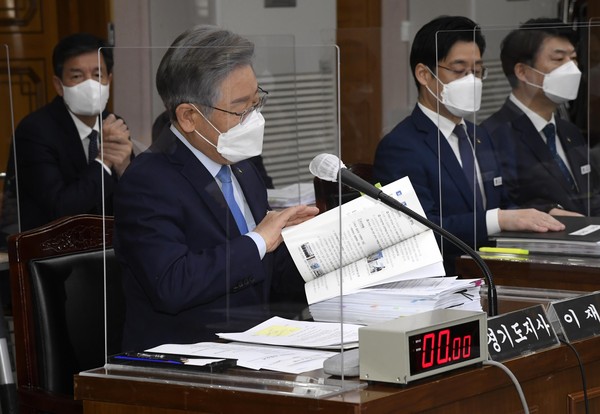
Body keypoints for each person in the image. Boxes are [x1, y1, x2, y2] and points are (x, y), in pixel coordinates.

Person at [113, 25, 318, 351]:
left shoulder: (242, 166)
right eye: (241, 109)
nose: (254, 118)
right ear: (189, 117)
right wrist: (258, 241)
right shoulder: (147, 181)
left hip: (257, 346)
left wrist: (316, 249)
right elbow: (171, 285)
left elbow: (266, 276)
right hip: (182, 364)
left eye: (256, 101)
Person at [373, 15, 564, 273]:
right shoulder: (401, 146)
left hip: (497, 271)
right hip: (445, 279)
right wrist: (499, 219)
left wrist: (547, 213)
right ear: (424, 75)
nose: (471, 81)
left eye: (477, 71)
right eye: (459, 70)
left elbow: (505, 202)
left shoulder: (479, 135)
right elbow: (419, 228)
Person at [5, 32, 133, 231]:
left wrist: (125, 168)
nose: (90, 84)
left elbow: (134, 202)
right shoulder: (34, 132)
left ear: (109, 79)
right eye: (77, 76)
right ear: (59, 85)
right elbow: (60, 208)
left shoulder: (113, 124)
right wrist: (104, 161)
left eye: (98, 75)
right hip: (53, 254)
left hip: (110, 249)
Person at [481, 18, 600, 216]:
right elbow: (502, 206)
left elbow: (590, 196)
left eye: (573, 58)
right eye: (558, 59)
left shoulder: (568, 130)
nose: (572, 69)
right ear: (522, 72)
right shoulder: (492, 135)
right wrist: (547, 212)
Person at [152, 110, 274, 188]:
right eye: (236, 110)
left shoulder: (242, 153)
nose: (253, 119)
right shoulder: (157, 182)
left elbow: (265, 193)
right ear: (188, 118)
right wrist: (260, 230)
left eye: (255, 104)